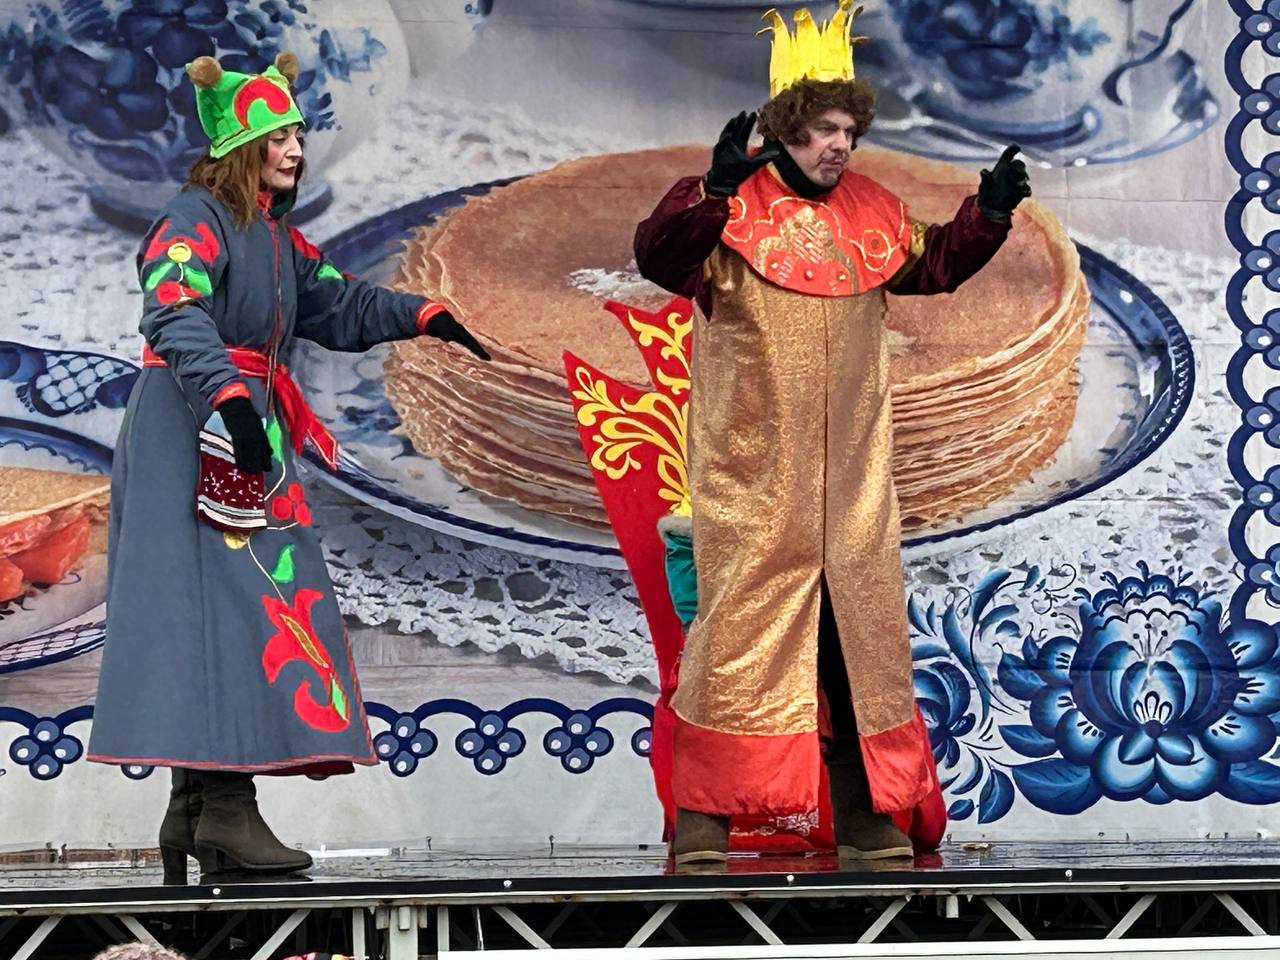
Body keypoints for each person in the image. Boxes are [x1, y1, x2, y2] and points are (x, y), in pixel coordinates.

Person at [633, 0, 1030, 865]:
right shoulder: (729, 214)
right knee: (736, 646)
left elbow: (933, 264)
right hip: (753, 479)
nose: (840, 145)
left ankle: (862, 816)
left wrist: (988, 215)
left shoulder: (873, 211)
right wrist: (711, 190)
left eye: (849, 130)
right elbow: (658, 256)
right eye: (823, 130)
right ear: (784, 130)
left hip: (851, 484)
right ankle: (703, 824)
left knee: (856, 649)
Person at [87, 52, 489, 882]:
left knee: (229, 606)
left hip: (237, 422)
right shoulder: (191, 220)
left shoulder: (273, 238)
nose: (296, 148)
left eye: (298, 133)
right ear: (240, 147)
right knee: (232, 608)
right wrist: (231, 399)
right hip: (190, 426)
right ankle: (225, 808)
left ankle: (194, 809)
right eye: (278, 136)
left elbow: (336, 301)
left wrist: (422, 314)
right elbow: (173, 309)